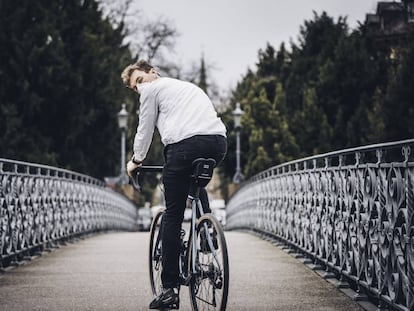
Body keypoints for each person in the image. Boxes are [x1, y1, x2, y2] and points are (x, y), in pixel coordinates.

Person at [121, 60, 227, 310]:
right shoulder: (187, 87)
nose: (139, 89)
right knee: (196, 183)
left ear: (153, 73)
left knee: (173, 215)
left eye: (139, 80)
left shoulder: (152, 88)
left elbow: (145, 129)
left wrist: (136, 161)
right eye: (135, 88)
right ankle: (205, 229)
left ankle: (169, 289)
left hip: (184, 147)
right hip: (218, 143)